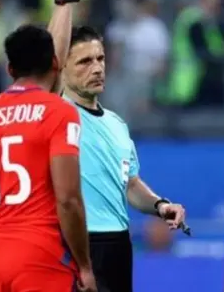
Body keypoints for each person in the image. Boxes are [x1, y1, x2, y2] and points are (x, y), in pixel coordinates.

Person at [0, 25, 97, 292]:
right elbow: (68, 199)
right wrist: (85, 265)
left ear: (10, 70)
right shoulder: (58, 112)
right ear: (56, 63)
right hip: (44, 257)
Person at [61, 25, 186, 292]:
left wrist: (160, 206)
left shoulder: (117, 124)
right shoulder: (56, 114)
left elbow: (129, 184)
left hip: (118, 244)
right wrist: (65, 0)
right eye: (85, 61)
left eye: (100, 59)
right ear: (60, 68)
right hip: (74, 244)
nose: (97, 68)